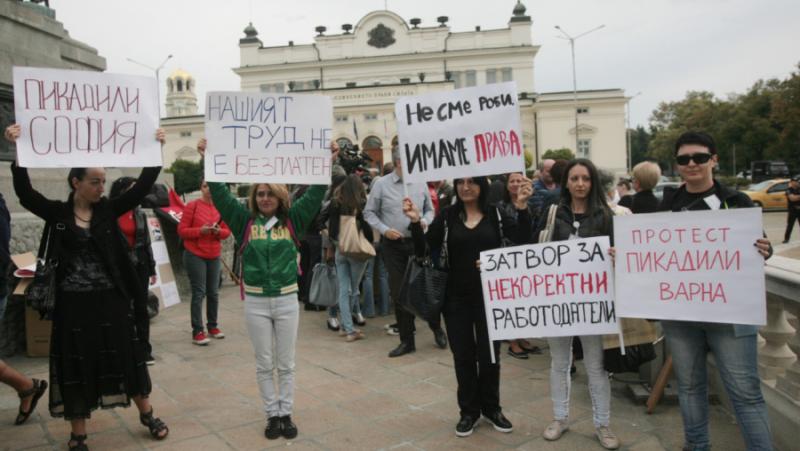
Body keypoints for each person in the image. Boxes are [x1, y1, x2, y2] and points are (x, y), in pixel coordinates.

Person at [5, 124, 169, 450]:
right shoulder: (58, 214)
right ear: (75, 182)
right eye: (94, 182)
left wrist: (156, 151)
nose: (101, 187)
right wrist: (17, 152)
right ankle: (78, 433)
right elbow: (25, 194)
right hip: (72, 307)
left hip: (111, 301)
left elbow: (141, 189)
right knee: (75, 363)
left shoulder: (107, 210)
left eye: (103, 181)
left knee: (125, 356)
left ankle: (147, 413)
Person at [199, 138, 335, 440]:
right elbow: (219, 192)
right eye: (259, 193)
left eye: (269, 193)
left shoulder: (294, 219)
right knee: (264, 363)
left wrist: (325, 160)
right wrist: (208, 159)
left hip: (287, 300)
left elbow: (315, 193)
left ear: (280, 195)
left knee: (286, 363)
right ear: (253, 197)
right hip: (256, 303)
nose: (264, 198)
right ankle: (271, 415)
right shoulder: (242, 220)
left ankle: (286, 412)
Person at [658, 131, 773, 451]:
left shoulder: (738, 201)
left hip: (732, 314)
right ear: (677, 165)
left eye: (699, 157)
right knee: (690, 388)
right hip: (682, 314)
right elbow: (650, 253)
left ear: (714, 160)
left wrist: (766, 248)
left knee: (746, 393)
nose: (691, 164)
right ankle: (696, 447)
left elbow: (758, 247)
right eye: (684, 159)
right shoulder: (667, 203)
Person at [403, 175, 533, 437]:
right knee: (462, 356)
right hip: (455, 299)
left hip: (490, 298)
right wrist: (416, 222)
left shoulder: (496, 214)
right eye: (461, 181)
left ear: (482, 186)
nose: (465, 187)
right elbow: (425, 250)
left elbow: (522, 244)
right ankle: (468, 412)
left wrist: (521, 207)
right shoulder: (449, 215)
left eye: (472, 182)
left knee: (490, 356)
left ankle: (492, 408)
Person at [538, 158, 620, 450]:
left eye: (585, 178)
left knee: (596, 367)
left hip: (593, 305)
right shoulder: (552, 213)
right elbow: (534, 253)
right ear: (566, 182)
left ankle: (603, 423)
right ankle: (560, 418)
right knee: (559, 364)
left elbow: (621, 256)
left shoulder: (605, 216)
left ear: (592, 181)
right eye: (574, 178)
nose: (580, 184)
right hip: (558, 302)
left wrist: (615, 254)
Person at [364, 147, 447, 357]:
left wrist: (424, 222)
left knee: (426, 287)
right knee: (400, 292)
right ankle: (407, 340)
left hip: (418, 242)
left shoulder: (420, 183)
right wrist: (384, 230)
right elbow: (369, 212)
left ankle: (436, 327)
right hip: (393, 246)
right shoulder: (381, 184)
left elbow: (430, 209)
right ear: (399, 162)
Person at [110, 177, 158, 364]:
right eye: (132, 189)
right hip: (120, 267)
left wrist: (152, 268)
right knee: (122, 308)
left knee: (141, 308)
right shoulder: (111, 212)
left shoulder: (139, 214)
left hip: (140, 266)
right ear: (121, 191)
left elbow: (146, 242)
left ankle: (144, 349)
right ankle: (124, 346)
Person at [178, 179, 231, 345]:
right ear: (201, 188)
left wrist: (217, 232)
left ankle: (213, 326)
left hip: (213, 254)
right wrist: (200, 231)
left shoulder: (222, 208)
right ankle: (197, 330)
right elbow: (182, 231)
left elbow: (227, 232)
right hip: (195, 254)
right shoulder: (192, 206)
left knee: (213, 292)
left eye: (211, 186)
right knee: (199, 292)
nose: (208, 189)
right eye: (205, 186)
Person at [495, 172, 542, 360]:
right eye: (512, 181)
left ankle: (521, 336)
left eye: (519, 180)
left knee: (523, 299)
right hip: (508, 258)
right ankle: (512, 342)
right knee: (509, 300)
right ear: (507, 186)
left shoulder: (532, 203)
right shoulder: (500, 207)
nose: (516, 184)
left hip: (528, 257)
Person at [324, 174, 374, 341]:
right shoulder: (361, 204)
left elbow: (326, 226)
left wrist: (335, 242)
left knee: (344, 290)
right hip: (357, 251)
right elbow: (368, 231)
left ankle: (346, 328)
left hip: (340, 249)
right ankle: (349, 329)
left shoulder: (335, 202)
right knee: (353, 289)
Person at [784, 176, 800, 243]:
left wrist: (796, 197)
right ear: (792, 182)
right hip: (792, 210)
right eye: (795, 181)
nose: (797, 183)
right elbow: (792, 198)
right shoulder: (788, 190)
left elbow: (794, 197)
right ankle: (786, 239)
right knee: (790, 225)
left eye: (797, 181)